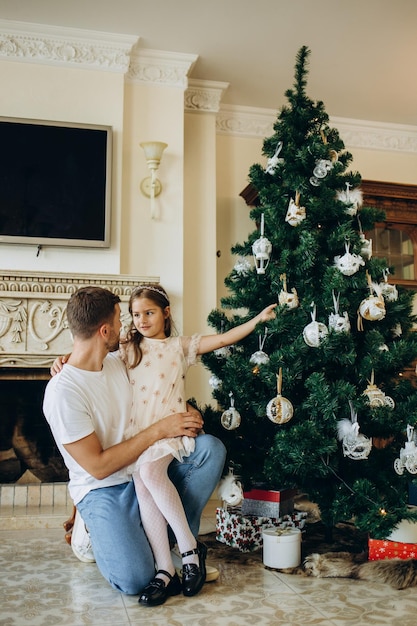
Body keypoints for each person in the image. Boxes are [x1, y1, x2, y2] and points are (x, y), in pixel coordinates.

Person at [43, 285, 227, 604]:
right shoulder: (63, 392)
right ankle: (91, 533)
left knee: (210, 449)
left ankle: (183, 548)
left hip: (142, 467)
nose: (127, 325)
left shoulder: (119, 359)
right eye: (120, 320)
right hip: (103, 487)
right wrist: (160, 430)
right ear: (104, 330)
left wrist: (184, 411)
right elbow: (98, 467)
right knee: (135, 579)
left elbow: (156, 393)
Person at [117, 283, 277, 606]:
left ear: (166, 312)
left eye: (148, 312)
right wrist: (64, 359)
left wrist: (257, 320)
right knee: (144, 479)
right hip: (140, 437)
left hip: (170, 434)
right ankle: (165, 569)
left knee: (149, 471)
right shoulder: (127, 349)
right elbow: (91, 356)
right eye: (136, 315)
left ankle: (188, 549)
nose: (142, 320)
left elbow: (222, 339)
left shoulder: (179, 347)